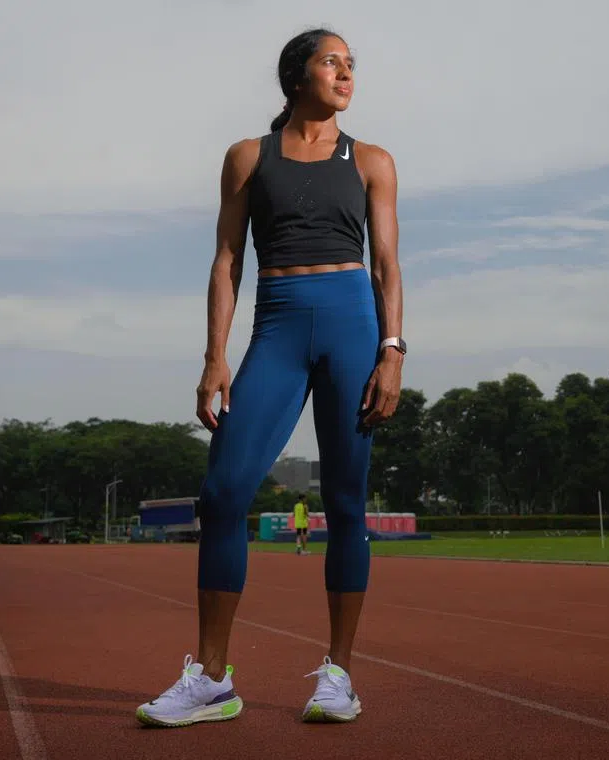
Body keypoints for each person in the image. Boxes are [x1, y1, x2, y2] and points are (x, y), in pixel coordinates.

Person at [136, 27, 404, 728]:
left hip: (352, 327)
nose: (347, 73)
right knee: (223, 492)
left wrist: (393, 351)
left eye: (352, 64)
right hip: (278, 327)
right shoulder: (248, 158)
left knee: (346, 504)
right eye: (331, 62)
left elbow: (386, 268)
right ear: (295, 76)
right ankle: (213, 680)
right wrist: (214, 358)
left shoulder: (372, 160)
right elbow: (227, 262)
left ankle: (338, 676)